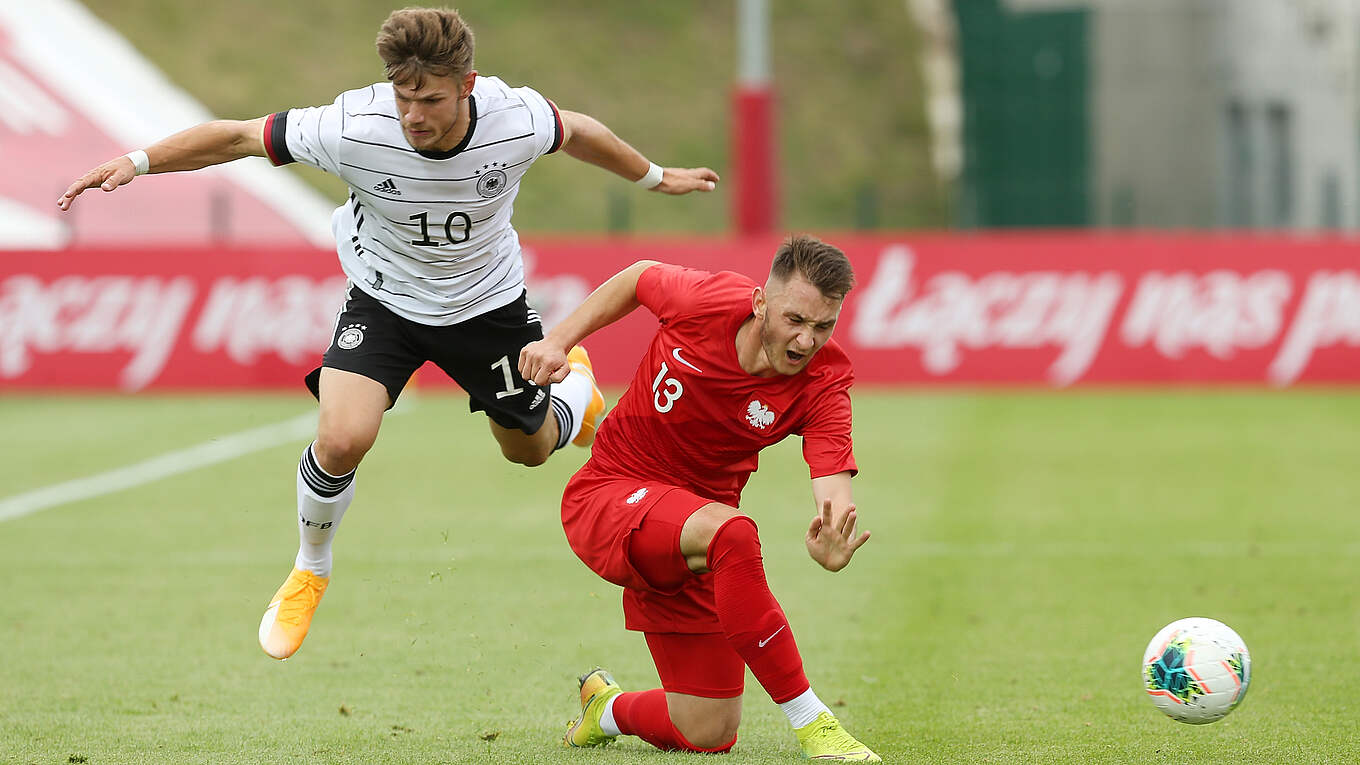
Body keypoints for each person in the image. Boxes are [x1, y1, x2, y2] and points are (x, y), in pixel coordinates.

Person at [57, 7, 719, 661]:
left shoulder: (513, 118)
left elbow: (575, 131)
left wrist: (656, 178)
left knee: (530, 450)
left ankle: (575, 393)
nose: (413, 116)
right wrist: (137, 160)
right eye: (403, 98)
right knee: (342, 435)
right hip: (385, 300)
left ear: (467, 85)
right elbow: (236, 137)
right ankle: (310, 568)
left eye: (430, 99)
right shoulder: (352, 126)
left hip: (486, 307)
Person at [518, 235, 880, 761]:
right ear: (761, 303)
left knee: (707, 731)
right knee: (734, 531)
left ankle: (607, 712)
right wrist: (558, 341)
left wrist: (833, 534)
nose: (806, 341)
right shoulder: (707, 300)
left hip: (693, 538)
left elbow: (832, 483)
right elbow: (638, 276)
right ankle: (813, 722)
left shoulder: (824, 383)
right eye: (795, 321)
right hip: (611, 493)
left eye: (823, 326)